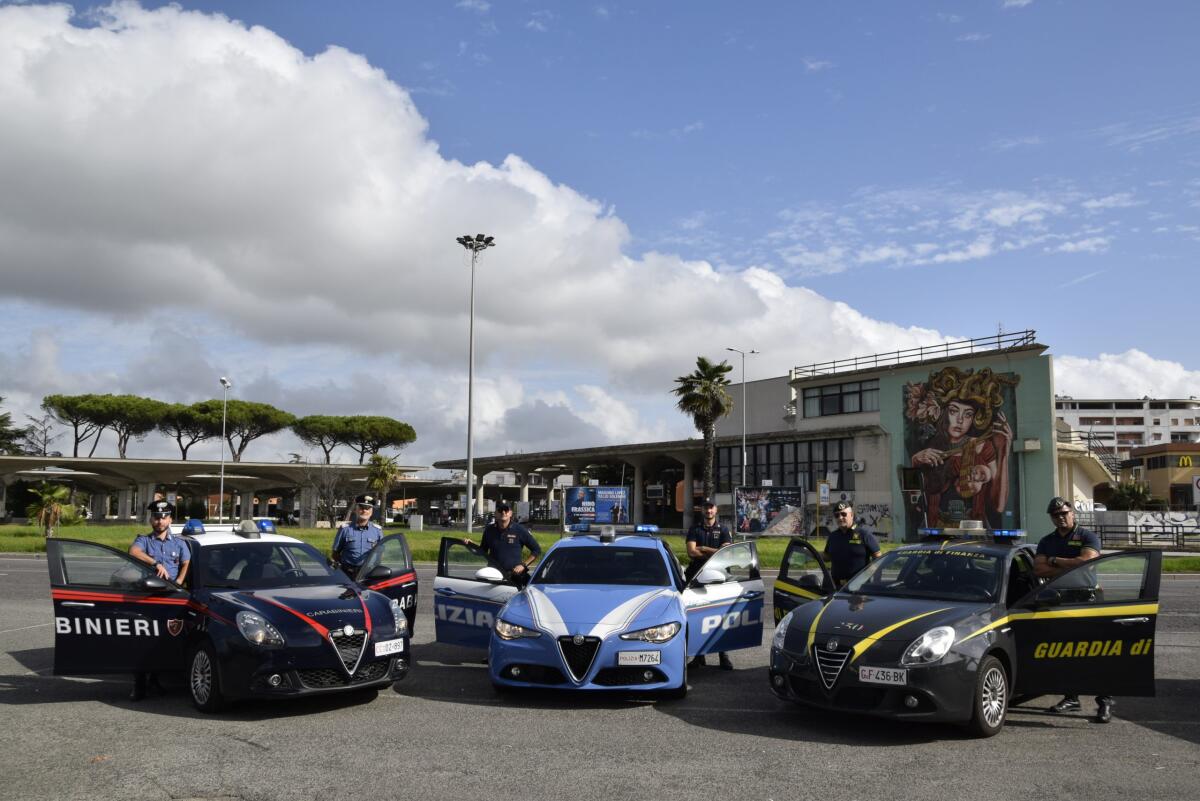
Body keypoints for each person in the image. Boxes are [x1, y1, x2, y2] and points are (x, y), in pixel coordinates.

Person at [1035, 496, 1113, 723]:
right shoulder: (1046, 540)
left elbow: (1087, 561)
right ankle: (1071, 698)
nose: (1060, 518)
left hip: (1088, 599)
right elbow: (1038, 570)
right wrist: (1070, 563)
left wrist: (1054, 561)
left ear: (1072, 513)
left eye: (1064, 513)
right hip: (1061, 599)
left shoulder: (1087, 536)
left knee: (1096, 652)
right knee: (1066, 651)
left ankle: (1104, 701)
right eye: (1056, 515)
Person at [127, 499, 191, 701]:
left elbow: (186, 562)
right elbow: (133, 552)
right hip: (147, 598)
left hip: (169, 599)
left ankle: (154, 680)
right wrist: (155, 563)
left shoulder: (179, 543)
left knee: (162, 642)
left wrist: (179, 582)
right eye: (156, 517)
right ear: (151, 520)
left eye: (164, 517)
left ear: (170, 519)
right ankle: (139, 684)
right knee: (142, 642)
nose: (160, 521)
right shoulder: (144, 541)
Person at [685, 498, 734, 670]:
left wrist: (704, 549)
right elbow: (691, 552)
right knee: (697, 617)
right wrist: (714, 552)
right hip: (697, 578)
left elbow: (726, 554)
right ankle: (699, 657)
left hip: (719, 579)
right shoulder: (694, 529)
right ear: (702, 510)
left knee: (721, 617)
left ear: (716, 510)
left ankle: (724, 656)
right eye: (706, 508)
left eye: (711, 508)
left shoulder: (724, 530)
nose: (708, 511)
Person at [465, 501, 541, 588]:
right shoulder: (489, 530)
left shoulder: (520, 530)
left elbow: (536, 550)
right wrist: (471, 545)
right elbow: (482, 551)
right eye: (500, 510)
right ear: (496, 513)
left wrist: (523, 565)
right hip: (493, 576)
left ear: (511, 513)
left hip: (514, 578)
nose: (503, 512)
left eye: (506, 510)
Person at [822, 501, 881, 588]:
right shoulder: (833, 536)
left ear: (852, 515)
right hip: (836, 587)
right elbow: (827, 557)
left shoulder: (864, 535)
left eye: (843, 514)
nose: (840, 517)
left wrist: (866, 577)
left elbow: (878, 557)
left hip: (859, 588)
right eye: (837, 515)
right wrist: (810, 552)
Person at [331, 495, 383, 580]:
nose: (364, 511)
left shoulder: (377, 531)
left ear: (371, 511)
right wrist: (345, 567)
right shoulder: (345, 529)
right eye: (362, 508)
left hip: (368, 575)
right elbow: (335, 553)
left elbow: (380, 554)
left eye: (367, 508)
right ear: (356, 510)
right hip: (347, 574)